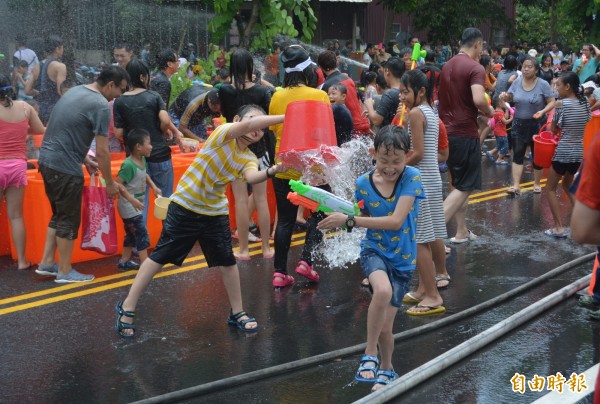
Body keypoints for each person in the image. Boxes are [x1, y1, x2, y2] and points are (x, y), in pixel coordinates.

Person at [115, 105, 286, 337]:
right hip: (185, 206)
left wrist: (274, 170)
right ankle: (127, 307)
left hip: (215, 212)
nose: (258, 128)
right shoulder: (224, 133)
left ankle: (237, 312)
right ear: (237, 119)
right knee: (158, 258)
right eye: (256, 121)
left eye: (263, 126)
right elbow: (246, 127)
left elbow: (252, 177)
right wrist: (286, 116)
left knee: (228, 262)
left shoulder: (248, 157)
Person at [317, 126, 425, 392]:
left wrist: (350, 220)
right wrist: (338, 221)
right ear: (373, 154)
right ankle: (369, 354)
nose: (390, 167)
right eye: (384, 160)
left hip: (403, 260)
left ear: (407, 156)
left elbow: (396, 220)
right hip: (374, 250)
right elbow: (357, 217)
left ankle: (387, 369)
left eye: (396, 161)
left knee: (386, 329)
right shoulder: (363, 184)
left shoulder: (412, 177)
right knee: (382, 290)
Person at [35, 66, 129, 283]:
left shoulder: (78, 91)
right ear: (110, 85)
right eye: (120, 90)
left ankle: (47, 263)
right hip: (64, 168)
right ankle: (65, 271)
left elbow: (63, 130)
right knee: (68, 218)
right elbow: (104, 151)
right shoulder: (100, 105)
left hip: (48, 162)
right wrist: (111, 184)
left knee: (59, 214)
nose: (119, 96)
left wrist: (84, 158)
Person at [268, 45, 331, 288]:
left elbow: (275, 129)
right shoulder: (320, 95)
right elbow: (323, 133)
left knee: (284, 220)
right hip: (312, 169)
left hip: (283, 167)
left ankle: (279, 273)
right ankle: (306, 261)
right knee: (319, 212)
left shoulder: (277, 96)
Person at [438, 28, 494, 243]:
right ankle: (432, 232)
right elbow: (479, 99)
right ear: (478, 45)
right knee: (465, 187)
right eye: (482, 47)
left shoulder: (447, 65)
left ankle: (461, 231)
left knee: (457, 185)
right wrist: (490, 113)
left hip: (446, 133)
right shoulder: (475, 67)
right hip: (464, 133)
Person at [219, 49, 275, 260]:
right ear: (251, 67)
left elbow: (227, 117)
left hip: (235, 150)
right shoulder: (261, 92)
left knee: (240, 201)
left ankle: (243, 250)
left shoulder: (224, 90)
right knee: (260, 199)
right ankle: (266, 249)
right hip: (259, 149)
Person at [399, 69, 447, 315]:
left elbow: (416, 153)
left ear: (420, 91)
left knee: (418, 241)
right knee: (426, 238)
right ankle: (422, 288)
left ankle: (432, 295)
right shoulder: (430, 111)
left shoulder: (416, 114)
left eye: (405, 92)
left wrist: (393, 167)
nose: (402, 97)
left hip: (421, 183)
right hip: (431, 179)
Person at [113, 58, 182, 223]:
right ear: (143, 77)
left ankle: (140, 243)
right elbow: (165, 120)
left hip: (136, 159)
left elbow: (118, 132)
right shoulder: (154, 96)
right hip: (159, 154)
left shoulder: (120, 101)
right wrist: (163, 132)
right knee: (165, 199)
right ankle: (169, 238)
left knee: (139, 202)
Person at [0, 74, 45, 270]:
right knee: (16, 216)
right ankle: (22, 261)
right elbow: (39, 130)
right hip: (18, 167)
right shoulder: (25, 108)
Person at [544, 71, 591, 238]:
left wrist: (554, 127)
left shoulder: (561, 104)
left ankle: (558, 227)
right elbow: (586, 119)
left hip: (563, 151)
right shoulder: (585, 102)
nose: (557, 89)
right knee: (568, 186)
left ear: (568, 86)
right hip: (578, 152)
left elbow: (554, 128)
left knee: (549, 189)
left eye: (559, 85)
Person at [500, 55, 555, 195]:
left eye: (529, 66)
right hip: (518, 123)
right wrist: (505, 97)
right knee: (517, 154)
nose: (526, 69)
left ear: (536, 70)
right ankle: (516, 185)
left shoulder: (543, 84)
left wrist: (543, 111)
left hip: (536, 124)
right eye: (524, 66)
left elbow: (552, 101)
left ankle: (537, 183)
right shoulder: (517, 82)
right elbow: (510, 97)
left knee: (537, 156)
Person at [115, 129, 162, 270]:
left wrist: (154, 186)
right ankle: (146, 265)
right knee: (141, 233)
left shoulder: (141, 160)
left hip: (135, 204)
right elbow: (118, 184)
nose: (151, 146)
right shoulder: (128, 165)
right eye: (149, 143)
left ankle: (124, 262)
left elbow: (144, 175)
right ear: (138, 146)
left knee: (131, 234)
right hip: (128, 206)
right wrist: (131, 200)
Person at [318, 50, 371, 135]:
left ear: (321, 68)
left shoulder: (327, 86)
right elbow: (359, 101)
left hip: (351, 127)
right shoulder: (349, 79)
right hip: (364, 122)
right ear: (337, 63)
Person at [365, 57, 404, 128]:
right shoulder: (406, 91)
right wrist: (372, 113)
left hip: (389, 135)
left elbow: (376, 120)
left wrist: (369, 105)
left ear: (387, 71)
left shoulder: (389, 94)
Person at [37, 35, 66, 124]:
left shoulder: (40, 64)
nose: (63, 50)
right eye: (62, 48)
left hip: (42, 108)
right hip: (56, 110)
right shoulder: (60, 66)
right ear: (57, 49)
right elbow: (61, 91)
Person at [486, 95, 512, 165]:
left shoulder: (499, 112)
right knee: (505, 146)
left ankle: (490, 153)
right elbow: (505, 121)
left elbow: (505, 117)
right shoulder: (498, 113)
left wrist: (507, 109)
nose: (505, 103)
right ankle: (499, 159)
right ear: (500, 104)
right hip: (501, 133)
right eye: (504, 102)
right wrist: (512, 118)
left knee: (499, 145)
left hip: (499, 132)